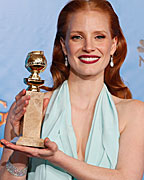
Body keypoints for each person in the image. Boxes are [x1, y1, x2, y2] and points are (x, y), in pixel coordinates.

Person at [0, 0, 144, 179]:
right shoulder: (32, 108)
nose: (89, 47)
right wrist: (23, 144)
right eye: (77, 37)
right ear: (63, 45)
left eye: (99, 36)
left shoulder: (133, 113)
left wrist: (58, 158)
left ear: (113, 44)